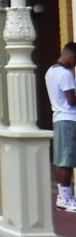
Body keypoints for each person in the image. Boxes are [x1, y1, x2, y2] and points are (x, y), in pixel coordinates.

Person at [44, 42, 76, 213]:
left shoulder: (51, 72)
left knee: (63, 158)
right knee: (66, 159)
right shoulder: (65, 74)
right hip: (69, 119)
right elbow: (71, 100)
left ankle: (65, 196)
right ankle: (64, 198)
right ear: (71, 56)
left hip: (58, 117)